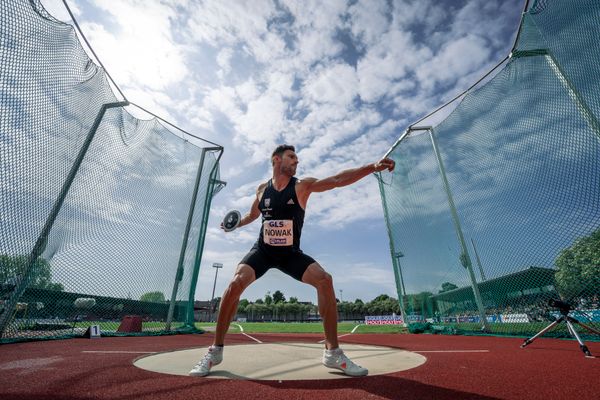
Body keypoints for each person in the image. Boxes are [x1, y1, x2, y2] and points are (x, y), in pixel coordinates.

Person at [189, 144, 395, 377]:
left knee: (325, 280)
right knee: (235, 283)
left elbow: (337, 179)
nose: (296, 161)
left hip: (290, 254)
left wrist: (371, 167)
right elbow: (252, 215)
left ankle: (333, 353)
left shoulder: (301, 186)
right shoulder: (261, 190)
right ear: (277, 160)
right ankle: (215, 351)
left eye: (297, 158)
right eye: (292, 157)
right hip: (263, 251)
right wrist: (234, 225)